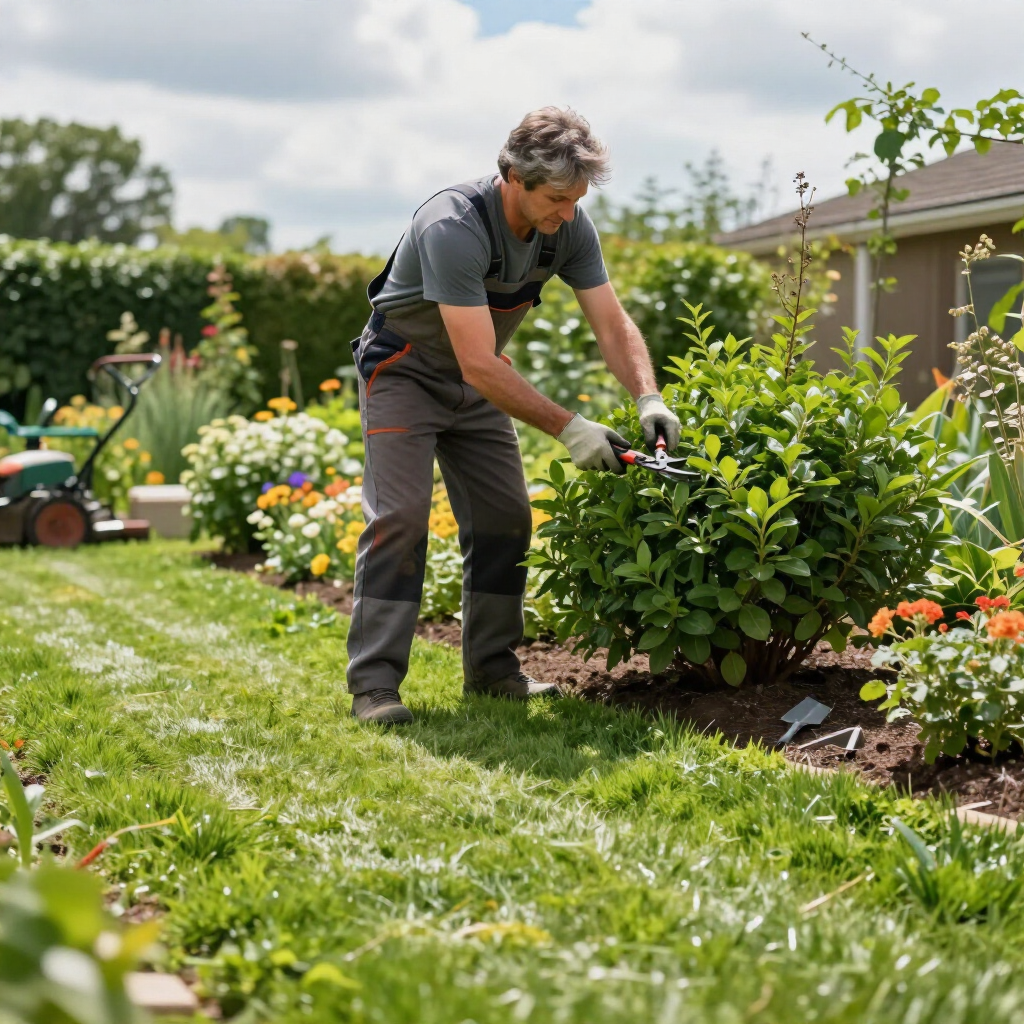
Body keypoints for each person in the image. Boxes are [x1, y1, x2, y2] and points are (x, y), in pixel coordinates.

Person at [348, 106, 681, 723]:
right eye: (556, 197)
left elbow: (611, 324)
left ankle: (495, 670)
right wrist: (570, 427)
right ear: (512, 176)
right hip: (404, 371)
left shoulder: (570, 227)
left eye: (577, 197)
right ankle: (374, 686)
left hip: (479, 379)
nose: (566, 212)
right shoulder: (453, 225)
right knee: (399, 516)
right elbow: (476, 362)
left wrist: (648, 396)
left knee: (506, 516)